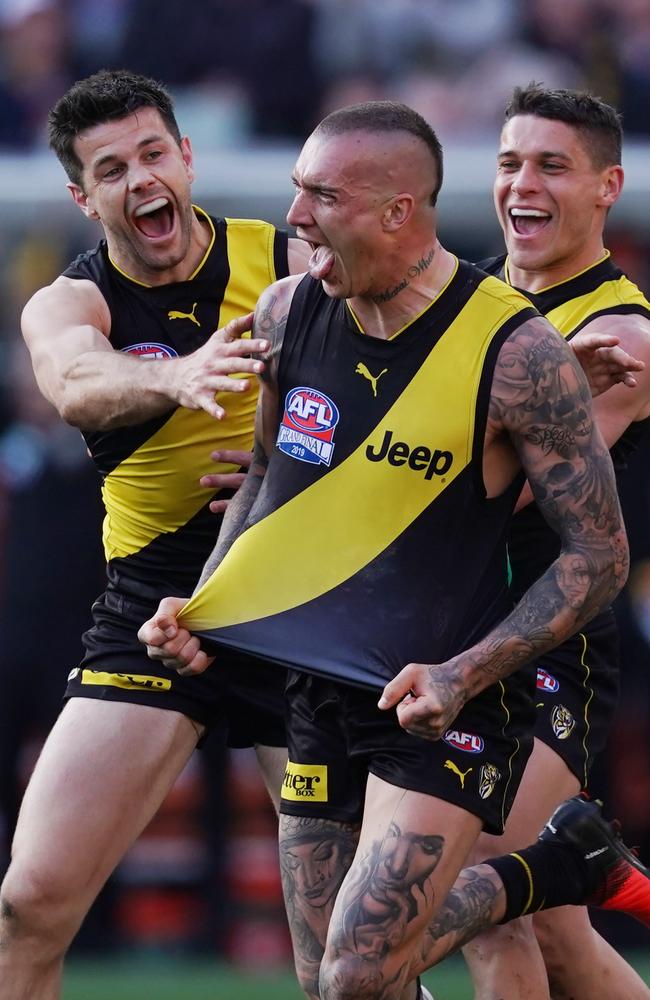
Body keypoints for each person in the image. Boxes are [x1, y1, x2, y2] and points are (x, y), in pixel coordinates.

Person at [138, 101, 647, 1000]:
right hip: (322, 678)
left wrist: (462, 672)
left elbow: (599, 556)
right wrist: (206, 602)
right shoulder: (289, 311)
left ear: (397, 212)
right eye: (298, 192)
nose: (294, 217)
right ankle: (557, 866)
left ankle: (550, 867)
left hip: (450, 689)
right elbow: (266, 475)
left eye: (320, 196)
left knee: (363, 969)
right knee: (326, 977)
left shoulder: (525, 351)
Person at [0, 68, 310, 999]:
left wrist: (282, 470)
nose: (139, 180)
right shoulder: (69, 302)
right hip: (152, 612)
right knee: (28, 905)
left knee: (349, 948)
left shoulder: (291, 262)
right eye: (110, 169)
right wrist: (176, 377)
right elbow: (73, 383)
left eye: (150, 154)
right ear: (82, 196)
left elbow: (410, 368)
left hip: (297, 606)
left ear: (186, 158)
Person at [458, 85, 650, 1000]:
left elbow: (511, 490)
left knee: (478, 901)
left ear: (608, 186)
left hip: (547, 648)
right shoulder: (465, 301)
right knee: (553, 934)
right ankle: (592, 864)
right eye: (507, 163)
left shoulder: (622, 333)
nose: (521, 184)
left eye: (551, 166)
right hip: (449, 631)